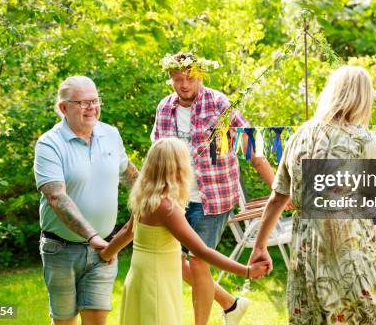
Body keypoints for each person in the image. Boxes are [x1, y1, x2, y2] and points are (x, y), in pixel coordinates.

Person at [247, 65, 376, 324]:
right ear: (363, 98)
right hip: (349, 248)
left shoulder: (299, 136)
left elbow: (277, 198)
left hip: (307, 250)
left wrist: (260, 245)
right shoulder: (365, 141)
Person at [151, 52, 276, 325]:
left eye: (190, 78)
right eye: (178, 79)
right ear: (170, 79)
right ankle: (231, 304)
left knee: (198, 263)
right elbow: (157, 154)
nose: (184, 85)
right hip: (175, 201)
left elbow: (252, 147)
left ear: (200, 76)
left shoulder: (219, 104)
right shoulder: (164, 108)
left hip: (212, 200)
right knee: (170, 258)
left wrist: (278, 189)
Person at [100, 138, 269, 325]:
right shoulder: (167, 208)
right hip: (157, 281)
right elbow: (201, 251)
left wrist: (106, 253)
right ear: (178, 169)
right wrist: (245, 271)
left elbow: (127, 230)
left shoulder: (145, 198)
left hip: (141, 276)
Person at [34, 76, 139, 325]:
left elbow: (132, 177)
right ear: (63, 108)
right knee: (65, 321)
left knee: (97, 321)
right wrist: (93, 237)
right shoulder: (49, 144)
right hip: (60, 249)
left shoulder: (111, 134)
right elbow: (56, 197)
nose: (91, 107)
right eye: (82, 102)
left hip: (103, 252)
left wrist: (159, 195)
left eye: (94, 100)